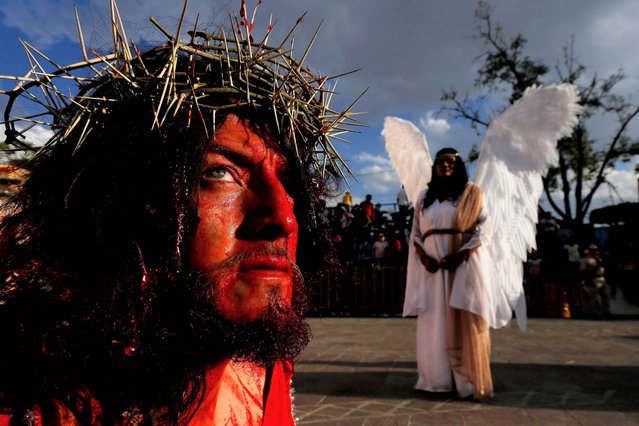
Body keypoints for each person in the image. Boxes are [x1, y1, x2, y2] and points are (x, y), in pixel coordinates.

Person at [0, 4, 359, 425]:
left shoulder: (261, 354)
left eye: (289, 186)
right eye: (220, 173)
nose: (283, 218)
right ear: (125, 202)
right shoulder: (34, 398)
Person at [404, 147, 495, 400]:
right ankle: (434, 381)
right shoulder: (425, 197)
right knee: (433, 324)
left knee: (460, 321)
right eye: (441, 162)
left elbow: (483, 230)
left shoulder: (471, 194)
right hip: (431, 270)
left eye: (451, 162)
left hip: (461, 268)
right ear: (434, 166)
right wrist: (424, 257)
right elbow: (415, 233)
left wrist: (461, 255)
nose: (446, 166)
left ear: (459, 165)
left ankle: (463, 382)